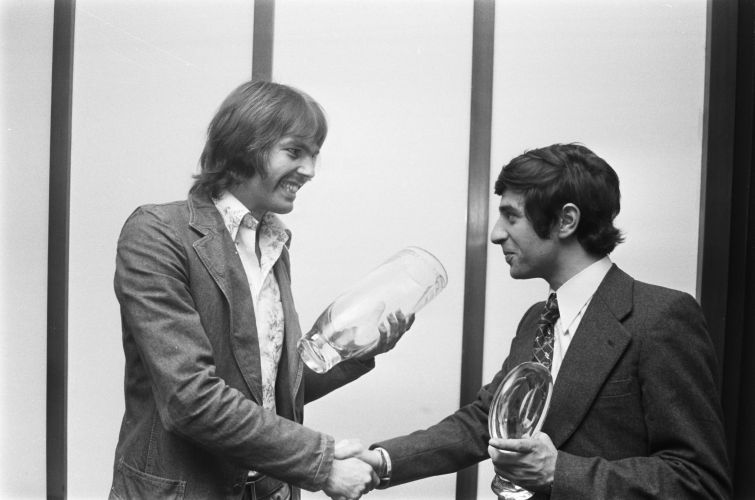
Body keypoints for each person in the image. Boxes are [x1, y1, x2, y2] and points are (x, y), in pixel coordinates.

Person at [351, 143, 731, 498]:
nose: (496, 234)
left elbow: (699, 480)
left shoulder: (660, 317)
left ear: (566, 220)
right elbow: (484, 421)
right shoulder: (537, 319)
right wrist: (382, 462)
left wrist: (558, 472)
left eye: (511, 216)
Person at [108, 80, 413, 500]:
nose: (310, 170)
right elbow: (190, 399)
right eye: (295, 151)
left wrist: (357, 350)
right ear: (244, 146)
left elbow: (271, 391)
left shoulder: (273, 244)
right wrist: (322, 463)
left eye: (314, 155)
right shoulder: (158, 232)